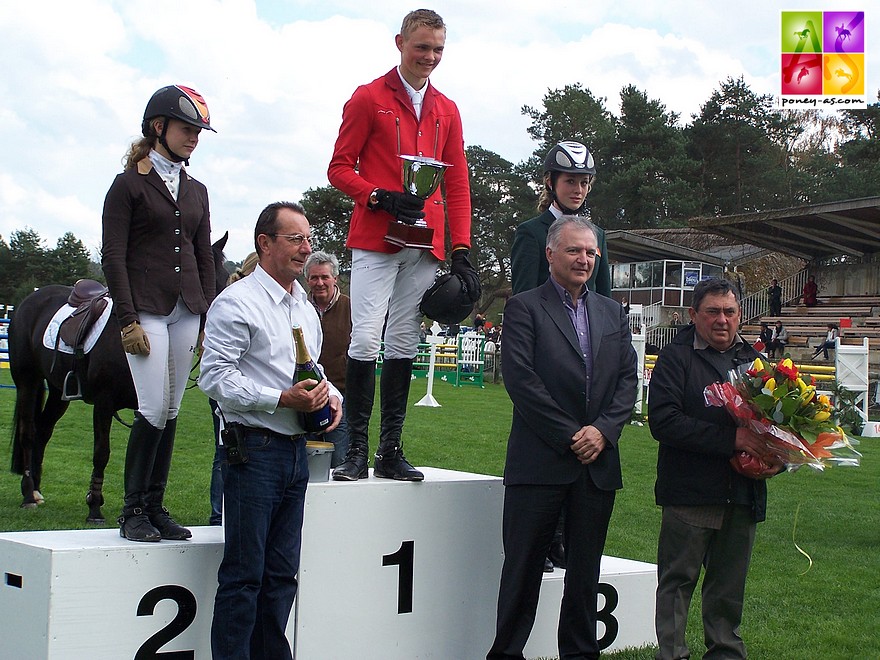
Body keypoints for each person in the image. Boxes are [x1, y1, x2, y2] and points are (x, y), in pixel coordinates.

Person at [327, 9, 479, 482]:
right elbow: (338, 167)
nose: (430, 57)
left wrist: (462, 250)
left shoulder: (448, 109)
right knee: (367, 336)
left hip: (425, 240)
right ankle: (353, 447)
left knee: (403, 339)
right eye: (422, 47)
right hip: (376, 236)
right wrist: (376, 194)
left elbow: (456, 185)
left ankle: (389, 449)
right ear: (400, 43)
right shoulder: (368, 97)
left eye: (437, 49)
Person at [487, 216, 638, 660]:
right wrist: (573, 434)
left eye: (591, 252)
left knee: (585, 576)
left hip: (596, 468)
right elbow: (521, 381)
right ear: (551, 254)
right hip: (540, 465)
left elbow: (627, 380)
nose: (584, 259)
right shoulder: (524, 307)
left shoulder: (611, 311)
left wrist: (604, 431)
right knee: (522, 574)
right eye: (574, 250)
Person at [199, 201, 343, 659]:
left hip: (296, 453)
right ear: (265, 243)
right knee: (244, 576)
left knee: (282, 575)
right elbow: (214, 377)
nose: (306, 249)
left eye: (308, 239)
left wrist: (331, 396)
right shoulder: (236, 302)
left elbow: (310, 368)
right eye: (295, 239)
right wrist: (282, 399)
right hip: (253, 452)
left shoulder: (303, 304)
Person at [101, 84, 216, 542]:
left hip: (186, 306)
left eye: (198, 131)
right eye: (188, 129)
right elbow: (114, 255)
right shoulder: (128, 184)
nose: (194, 137)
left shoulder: (198, 190)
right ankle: (132, 511)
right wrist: (126, 318)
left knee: (171, 410)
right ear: (158, 127)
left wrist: (207, 315)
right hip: (145, 307)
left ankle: (156, 505)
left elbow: (204, 254)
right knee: (151, 406)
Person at [648, 278, 782, 660]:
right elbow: (664, 422)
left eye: (730, 311)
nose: (722, 320)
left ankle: (725, 654)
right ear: (693, 315)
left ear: (740, 314)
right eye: (713, 312)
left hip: (742, 494)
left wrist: (776, 458)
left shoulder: (755, 362)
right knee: (677, 583)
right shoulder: (676, 357)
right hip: (691, 494)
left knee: (727, 590)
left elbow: (775, 424)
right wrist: (733, 441)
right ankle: (671, 654)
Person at [510, 141, 611, 297]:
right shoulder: (531, 233)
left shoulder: (598, 235)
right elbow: (522, 300)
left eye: (584, 183)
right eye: (570, 181)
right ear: (550, 182)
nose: (578, 190)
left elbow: (604, 298)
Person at [208, 251, 259, 526]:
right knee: (226, 450)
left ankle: (219, 513)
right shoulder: (233, 302)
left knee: (223, 452)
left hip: (240, 390)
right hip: (230, 390)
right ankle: (219, 514)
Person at [305, 250, 352, 467]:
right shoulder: (298, 309)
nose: (320, 282)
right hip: (306, 397)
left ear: (335, 278)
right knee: (304, 461)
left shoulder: (351, 308)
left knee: (339, 459)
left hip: (342, 395)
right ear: (307, 280)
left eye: (325, 277)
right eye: (314, 277)